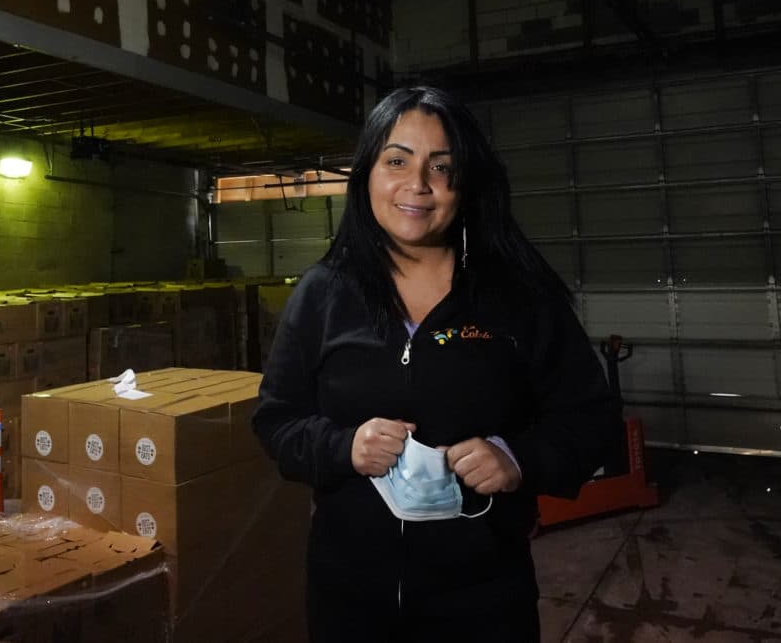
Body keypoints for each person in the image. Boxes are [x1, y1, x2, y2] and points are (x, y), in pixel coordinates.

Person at [252, 85, 624, 642]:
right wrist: (342, 447)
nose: (417, 185)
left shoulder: (518, 298)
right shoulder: (324, 294)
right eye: (396, 160)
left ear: (466, 181)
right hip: (350, 596)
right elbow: (277, 421)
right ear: (367, 175)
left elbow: (592, 421)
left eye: (442, 166)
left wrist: (516, 458)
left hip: (484, 599)